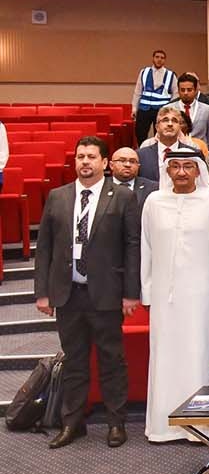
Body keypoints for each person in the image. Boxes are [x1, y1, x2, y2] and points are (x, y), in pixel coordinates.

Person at [34, 136, 140, 449]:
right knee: (74, 361)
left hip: (106, 294)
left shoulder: (122, 197)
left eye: (91, 157)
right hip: (68, 294)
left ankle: (116, 422)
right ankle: (72, 423)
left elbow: (132, 247)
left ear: (105, 162)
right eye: (80, 156)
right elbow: (45, 248)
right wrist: (43, 293)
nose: (85, 162)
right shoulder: (58, 196)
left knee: (112, 361)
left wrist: (131, 292)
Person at [140, 147, 209, 443]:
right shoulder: (154, 202)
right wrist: (147, 291)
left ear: (198, 170)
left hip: (204, 295)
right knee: (166, 357)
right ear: (167, 170)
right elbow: (146, 248)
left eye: (188, 166)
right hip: (164, 298)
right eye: (175, 166)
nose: (181, 172)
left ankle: (206, 424)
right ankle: (164, 425)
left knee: (202, 354)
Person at [136, 106, 197, 183]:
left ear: (179, 127)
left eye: (174, 121)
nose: (170, 124)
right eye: (165, 120)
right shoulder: (141, 155)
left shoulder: (193, 154)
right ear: (157, 127)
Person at [131, 48, 178, 145]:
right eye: (157, 57)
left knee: (161, 133)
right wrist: (134, 108)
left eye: (162, 58)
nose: (159, 59)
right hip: (144, 109)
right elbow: (138, 91)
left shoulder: (170, 75)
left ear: (165, 60)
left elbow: (176, 93)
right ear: (153, 58)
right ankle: (142, 150)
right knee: (140, 133)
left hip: (162, 110)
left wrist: (170, 109)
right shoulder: (144, 72)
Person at [162, 73, 209, 149]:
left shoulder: (208, 110)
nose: (185, 93)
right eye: (182, 90)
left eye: (189, 90)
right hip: (174, 150)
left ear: (196, 90)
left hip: (200, 150)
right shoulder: (168, 109)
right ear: (178, 90)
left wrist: (203, 148)